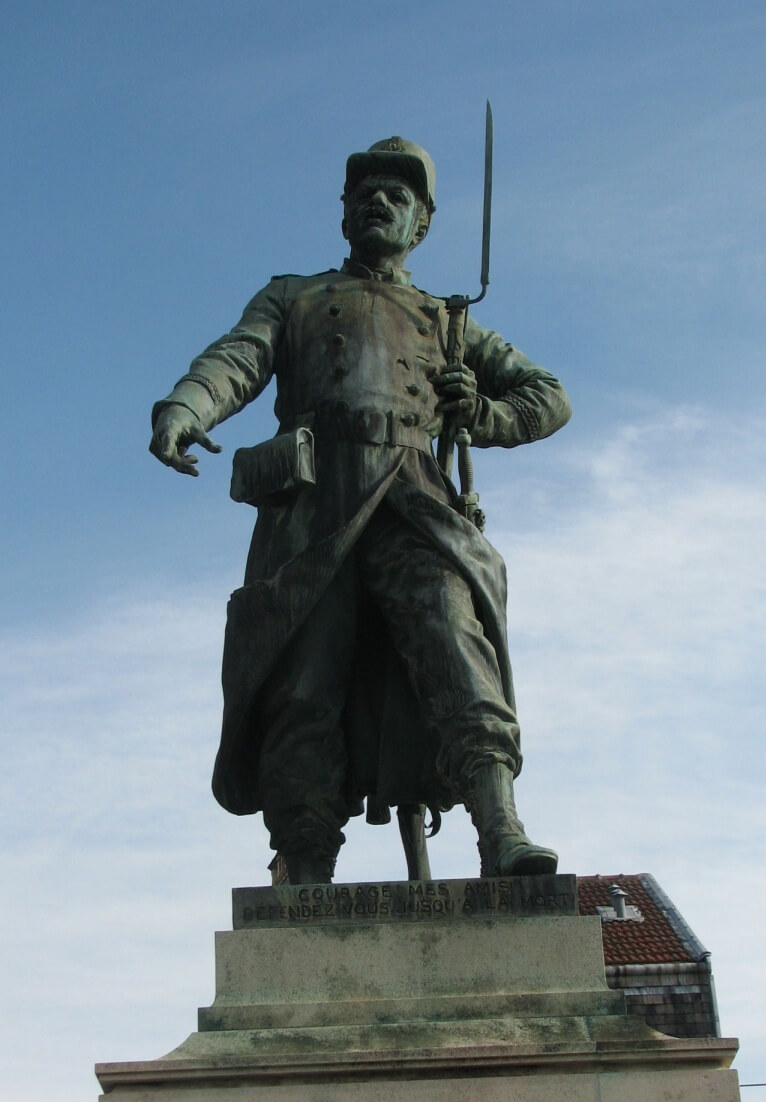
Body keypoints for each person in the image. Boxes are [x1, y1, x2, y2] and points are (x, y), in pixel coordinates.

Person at [150, 137, 571, 885]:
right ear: (344, 213)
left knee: (452, 639)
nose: (379, 201)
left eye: (398, 195)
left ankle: (500, 827)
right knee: (302, 683)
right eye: (366, 191)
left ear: (422, 224)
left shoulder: (448, 321)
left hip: (413, 501)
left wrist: (482, 415)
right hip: (314, 510)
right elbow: (237, 358)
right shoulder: (294, 296)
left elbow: (549, 396)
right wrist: (188, 408)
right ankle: (307, 867)